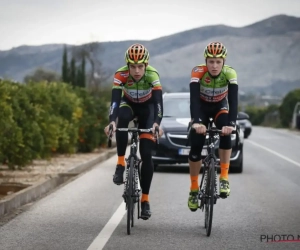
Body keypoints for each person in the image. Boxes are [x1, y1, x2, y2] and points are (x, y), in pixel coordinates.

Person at [104, 43, 164, 220]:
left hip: (148, 109)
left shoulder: (153, 75)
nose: (136, 71)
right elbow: (114, 102)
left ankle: (145, 200)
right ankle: (121, 163)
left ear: (146, 65)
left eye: (140, 66)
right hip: (128, 104)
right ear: (127, 66)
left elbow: (159, 103)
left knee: (146, 154)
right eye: (133, 67)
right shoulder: (120, 74)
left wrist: (156, 123)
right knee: (121, 119)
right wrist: (111, 122)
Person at [188, 41, 238, 211]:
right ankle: (194, 189)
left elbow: (233, 100)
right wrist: (196, 122)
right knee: (196, 145)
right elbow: (194, 99)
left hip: (219, 107)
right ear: (206, 61)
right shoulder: (198, 72)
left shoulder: (230, 73)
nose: (215, 66)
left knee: (226, 131)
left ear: (224, 61)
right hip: (201, 108)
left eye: (218, 61)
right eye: (211, 61)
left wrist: (231, 124)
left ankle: (224, 176)